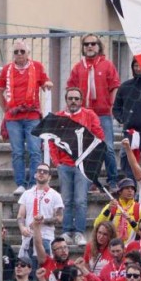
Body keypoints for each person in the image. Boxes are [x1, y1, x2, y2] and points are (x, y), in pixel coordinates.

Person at [0, 40, 52, 194]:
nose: (19, 54)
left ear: (28, 53)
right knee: (17, 152)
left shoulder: (37, 67)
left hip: (32, 115)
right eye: (16, 52)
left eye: (22, 51)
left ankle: (34, 183)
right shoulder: (7, 69)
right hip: (13, 118)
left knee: (34, 150)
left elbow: (45, 81)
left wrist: (47, 83)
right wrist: (5, 109)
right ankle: (20, 183)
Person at [50, 87, 104, 245]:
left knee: (80, 200)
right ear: (66, 100)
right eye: (70, 98)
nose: (73, 101)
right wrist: (57, 161)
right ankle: (67, 232)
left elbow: (99, 136)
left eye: (76, 98)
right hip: (64, 165)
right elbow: (52, 141)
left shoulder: (89, 115)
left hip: (82, 165)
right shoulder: (58, 117)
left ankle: (79, 233)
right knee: (66, 200)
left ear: (81, 101)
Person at [66, 34, 120, 185]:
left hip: (103, 114)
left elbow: (114, 86)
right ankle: (91, 181)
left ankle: (113, 180)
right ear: (83, 48)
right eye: (86, 44)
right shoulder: (78, 68)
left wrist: (112, 105)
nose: (89, 46)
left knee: (107, 147)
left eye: (93, 43)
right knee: (86, 149)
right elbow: (71, 88)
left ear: (99, 46)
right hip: (84, 115)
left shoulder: (107, 65)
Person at [16, 165, 63, 262]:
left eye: (45, 172)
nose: (41, 173)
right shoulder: (27, 193)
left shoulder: (55, 195)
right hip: (29, 238)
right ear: (35, 175)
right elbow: (20, 216)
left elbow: (59, 218)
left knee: (44, 270)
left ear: (49, 177)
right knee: (29, 272)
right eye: (39, 171)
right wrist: (22, 228)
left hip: (45, 237)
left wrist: (42, 221)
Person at [93, 177, 141, 244]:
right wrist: (108, 210)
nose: (130, 191)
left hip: (133, 249)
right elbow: (97, 225)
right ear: (120, 191)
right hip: (114, 249)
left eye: (132, 188)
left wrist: (131, 221)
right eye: (127, 188)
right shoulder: (111, 206)